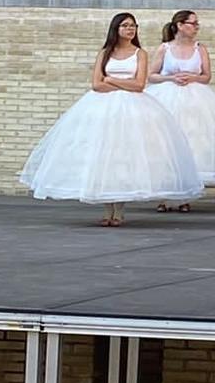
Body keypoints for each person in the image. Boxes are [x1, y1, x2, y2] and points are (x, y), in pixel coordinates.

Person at [21, 12, 203, 226]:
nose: (130, 29)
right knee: (103, 155)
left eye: (133, 26)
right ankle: (108, 210)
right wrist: (116, 82)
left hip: (133, 108)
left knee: (124, 155)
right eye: (125, 26)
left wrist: (112, 79)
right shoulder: (105, 53)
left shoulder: (140, 53)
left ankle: (119, 211)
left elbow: (139, 85)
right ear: (116, 28)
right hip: (102, 107)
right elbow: (97, 84)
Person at [145, 9, 215, 206]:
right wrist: (171, 77)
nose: (196, 27)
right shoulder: (165, 48)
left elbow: (206, 76)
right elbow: (152, 75)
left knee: (194, 143)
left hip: (196, 101)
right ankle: (165, 196)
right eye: (193, 23)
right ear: (180, 25)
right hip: (168, 98)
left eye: (196, 24)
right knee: (167, 144)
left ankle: (186, 196)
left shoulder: (200, 48)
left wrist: (193, 77)